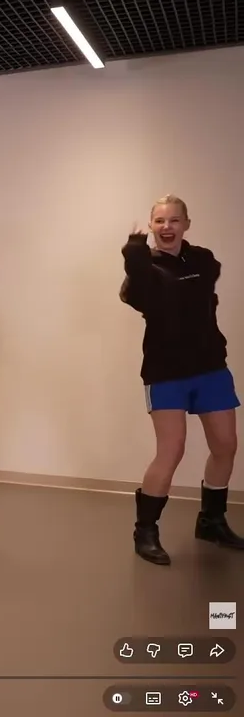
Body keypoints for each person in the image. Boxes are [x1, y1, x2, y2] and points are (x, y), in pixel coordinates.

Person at [120, 194, 242, 564]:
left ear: (186, 224)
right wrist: (135, 258)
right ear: (151, 225)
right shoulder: (144, 270)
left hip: (210, 367)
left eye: (174, 220)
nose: (167, 227)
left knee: (226, 445)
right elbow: (138, 295)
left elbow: (202, 284)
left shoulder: (203, 260)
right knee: (171, 450)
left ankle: (211, 521)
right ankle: (145, 531)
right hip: (165, 371)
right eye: (160, 221)